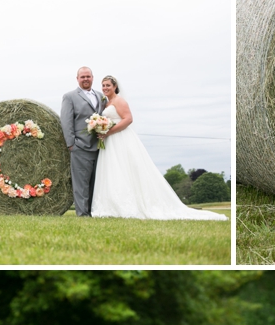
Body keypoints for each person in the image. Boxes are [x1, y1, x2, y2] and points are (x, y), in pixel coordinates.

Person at [92, 75, 228, 220]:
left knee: (125, 169)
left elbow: (128, 119)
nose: (105, 88)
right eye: (103, 85)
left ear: (115, 87)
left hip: (120, 139)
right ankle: (112, 205)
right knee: (113, 171)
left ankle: (131, 206)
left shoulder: (119, 101)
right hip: (110, 141)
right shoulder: (106, 103)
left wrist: (109, 131)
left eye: (108, 85)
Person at [60, 67, 102, 216]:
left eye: (88, 76)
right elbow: (66, 121)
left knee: (95, 182)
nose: (85, 79)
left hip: (99, 146)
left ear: (92, 77)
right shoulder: (70, 96)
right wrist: (72, 144)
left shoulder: (100, 96)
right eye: (82, 77)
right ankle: (83, 214)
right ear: (77, 79)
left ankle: (94, 212)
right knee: (81, 183)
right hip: (80, 146)